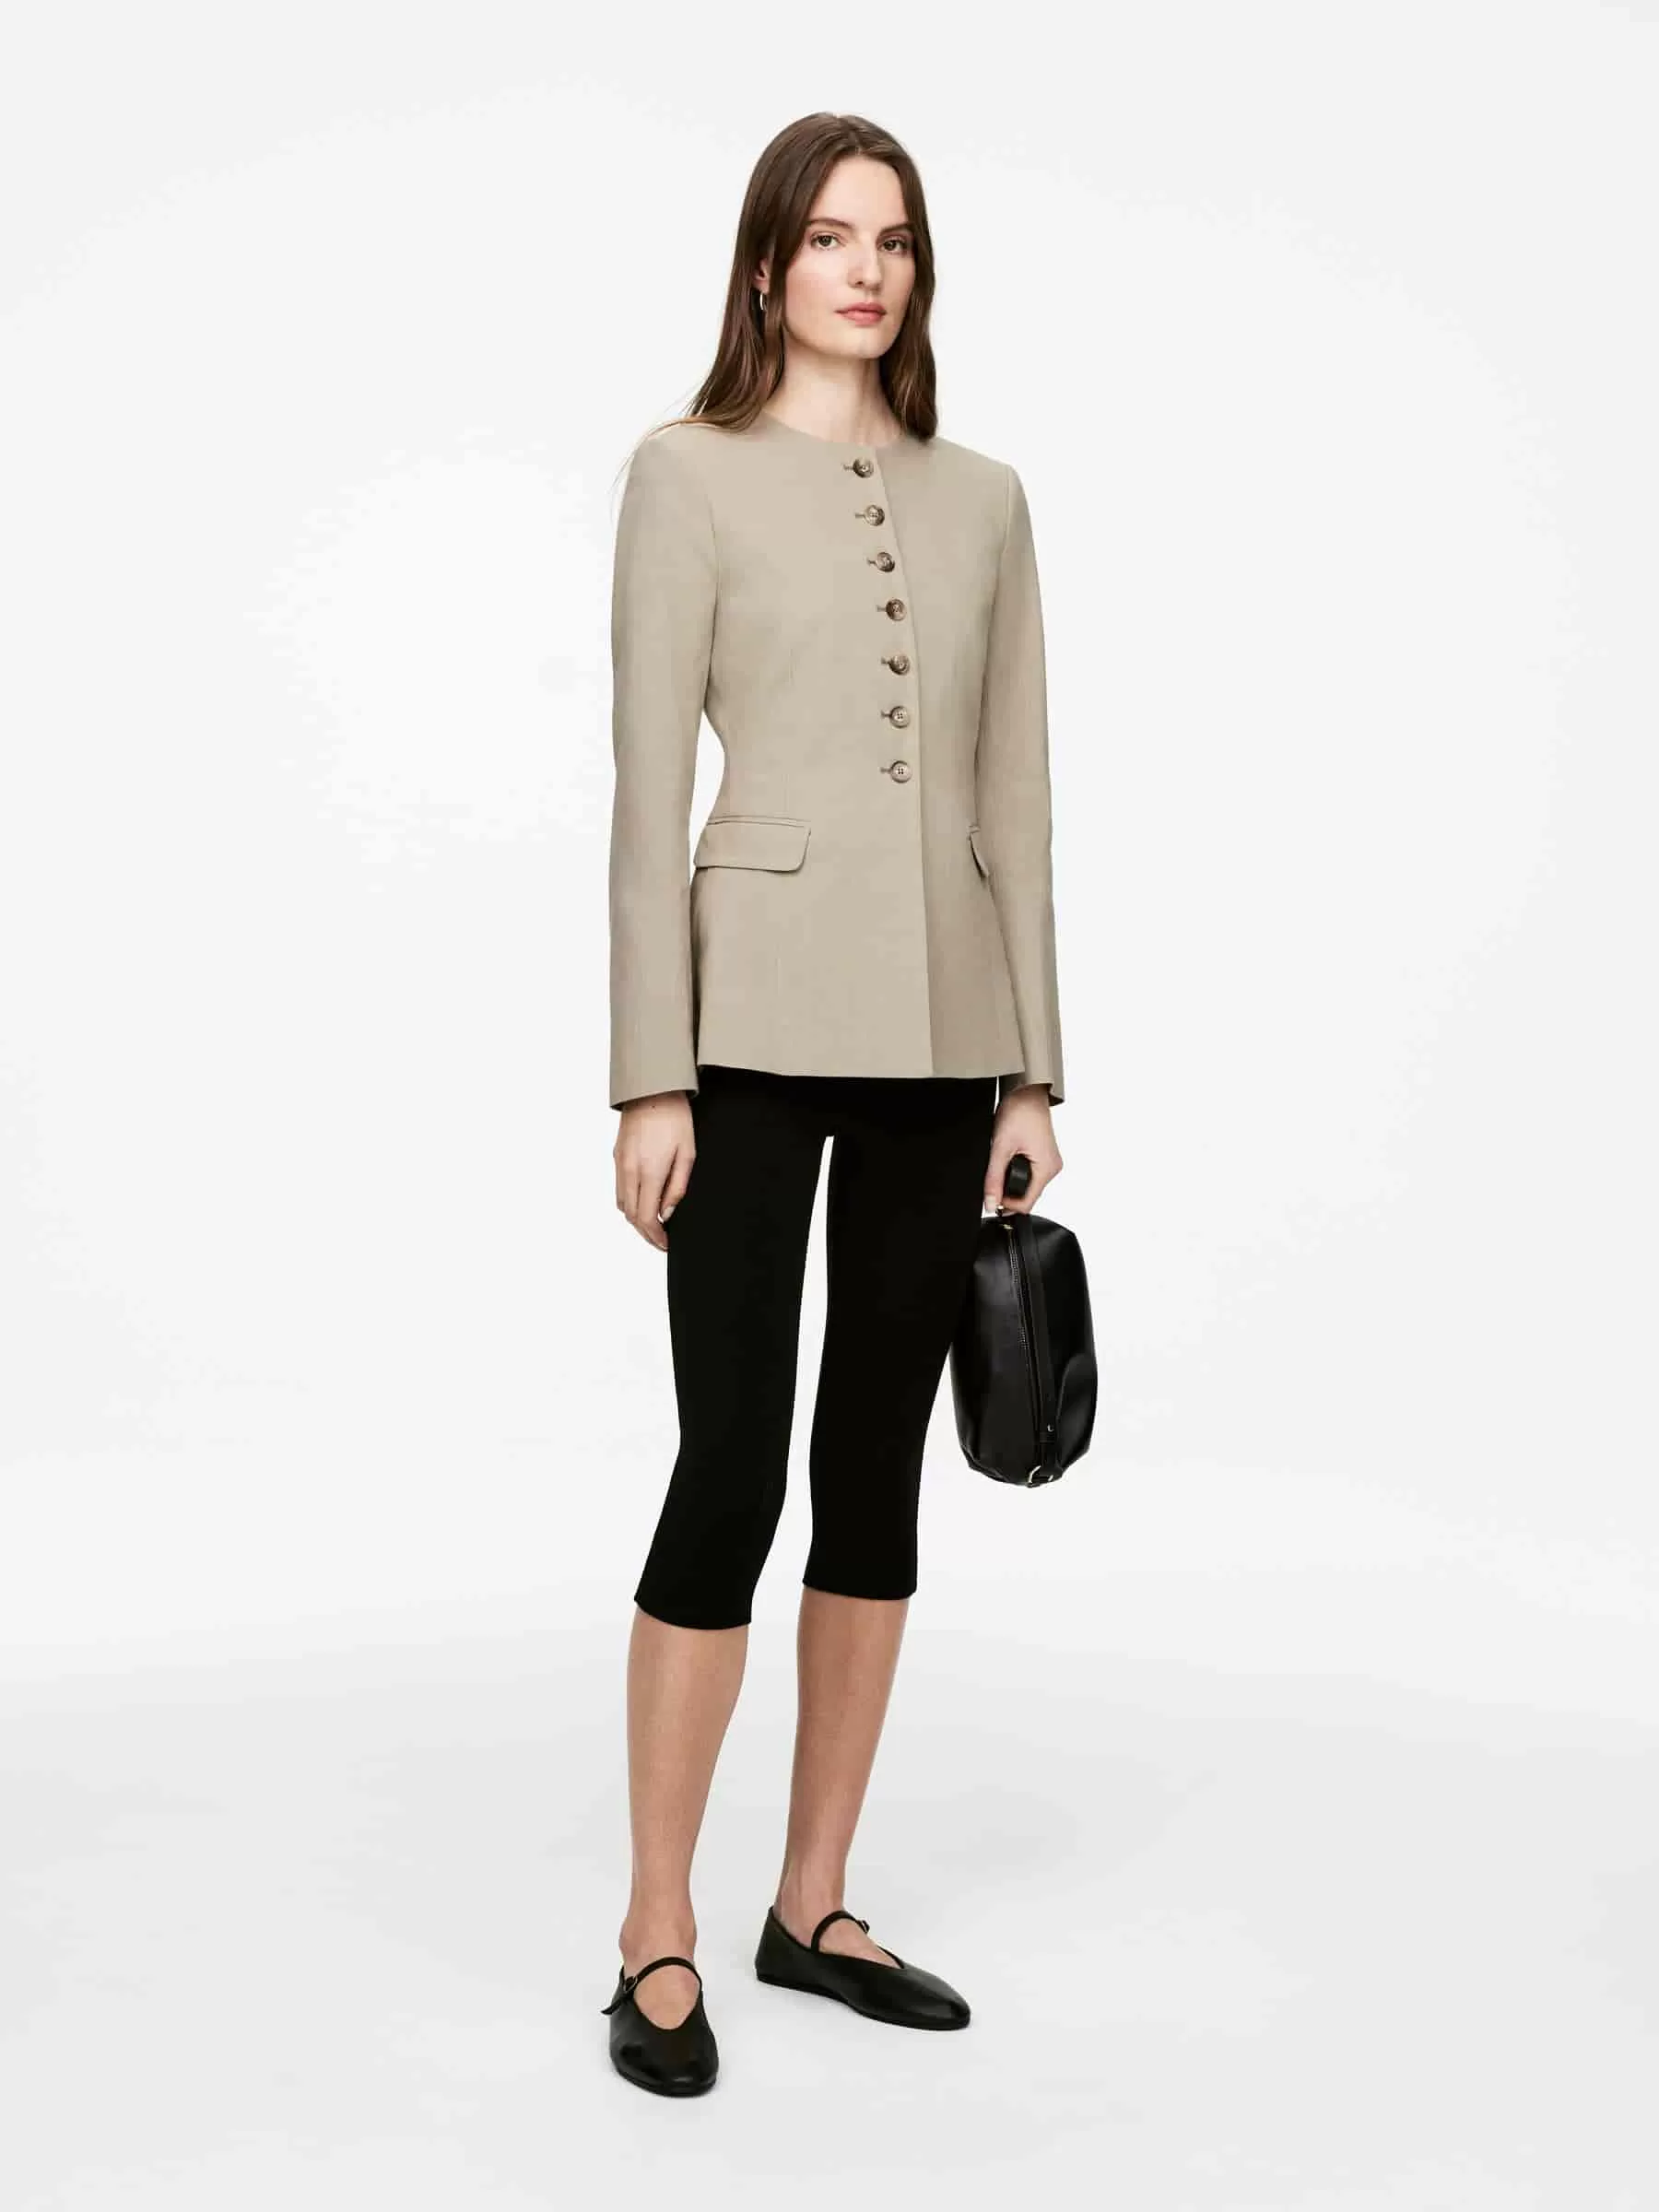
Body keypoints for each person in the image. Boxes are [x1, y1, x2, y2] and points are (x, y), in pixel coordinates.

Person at [601, 111, 1066, 2097]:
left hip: (944, 1040)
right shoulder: (684, 474)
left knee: (877, 1471)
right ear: (767, 267)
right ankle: (658, 1927)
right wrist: (650, 1073)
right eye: (828, 238)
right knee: (732, 1463)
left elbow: (1013, 792)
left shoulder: (986, 501)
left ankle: (812, 1904)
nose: (865, 270)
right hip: (747, 1034)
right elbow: (646, 796)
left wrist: (1034, 1063)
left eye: (894, 240)